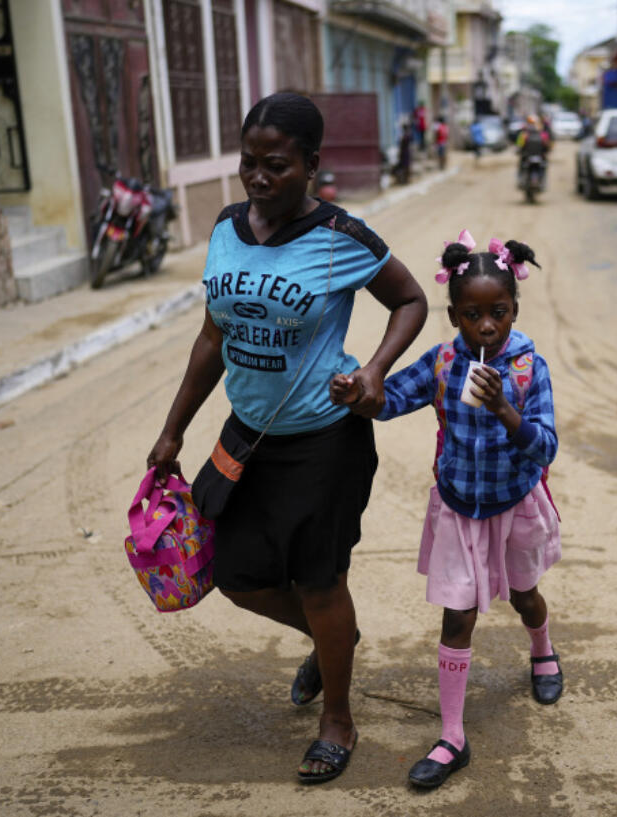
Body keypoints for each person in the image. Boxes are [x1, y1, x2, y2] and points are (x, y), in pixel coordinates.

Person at [146, 92, 427, 785]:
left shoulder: (340, 235)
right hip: (244, 437)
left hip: (323, 442)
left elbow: (411, 299)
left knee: (320, 579)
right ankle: (335, 640)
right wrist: (172, 429)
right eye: (249, 162)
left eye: (276, 164)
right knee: (237, 575)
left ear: (310, 164)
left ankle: (338, 717)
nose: (258, 177)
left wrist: (372, 370)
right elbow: (214, 334)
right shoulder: (224, 227)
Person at [330, 230, 563, 790]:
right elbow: (390, 400)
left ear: (514, 309)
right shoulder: (444, 363)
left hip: (514, 502)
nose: (486, 327)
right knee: (458, 615)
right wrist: (358, 394)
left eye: (499, 313)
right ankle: (452, 736)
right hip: (460, 507)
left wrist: (505, 407)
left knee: (525, 596)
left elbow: (545, 446)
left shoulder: (529, 368)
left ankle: (542, 647)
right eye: (472, 315)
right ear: (454, 314)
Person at [516, 115, 550, 185]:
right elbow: (547, 146)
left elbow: (519, 145)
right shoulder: (542, 134)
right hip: (532, 157)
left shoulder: (524, 134)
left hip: (530, 156)